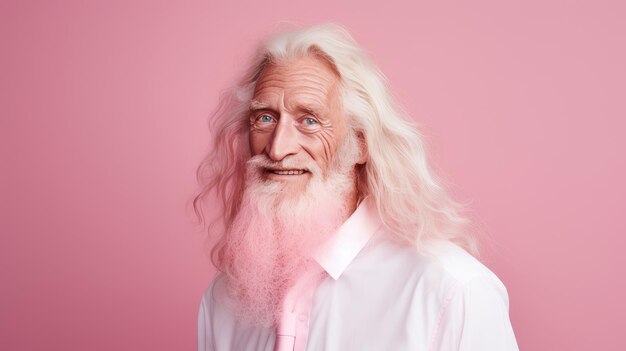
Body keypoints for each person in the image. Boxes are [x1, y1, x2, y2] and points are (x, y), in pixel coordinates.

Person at [194, 23, 519, 351]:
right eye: (264, 118)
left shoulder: (451, 292)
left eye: (309, 120)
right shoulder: (223, 300)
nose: (277, 149)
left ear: (361, 143)